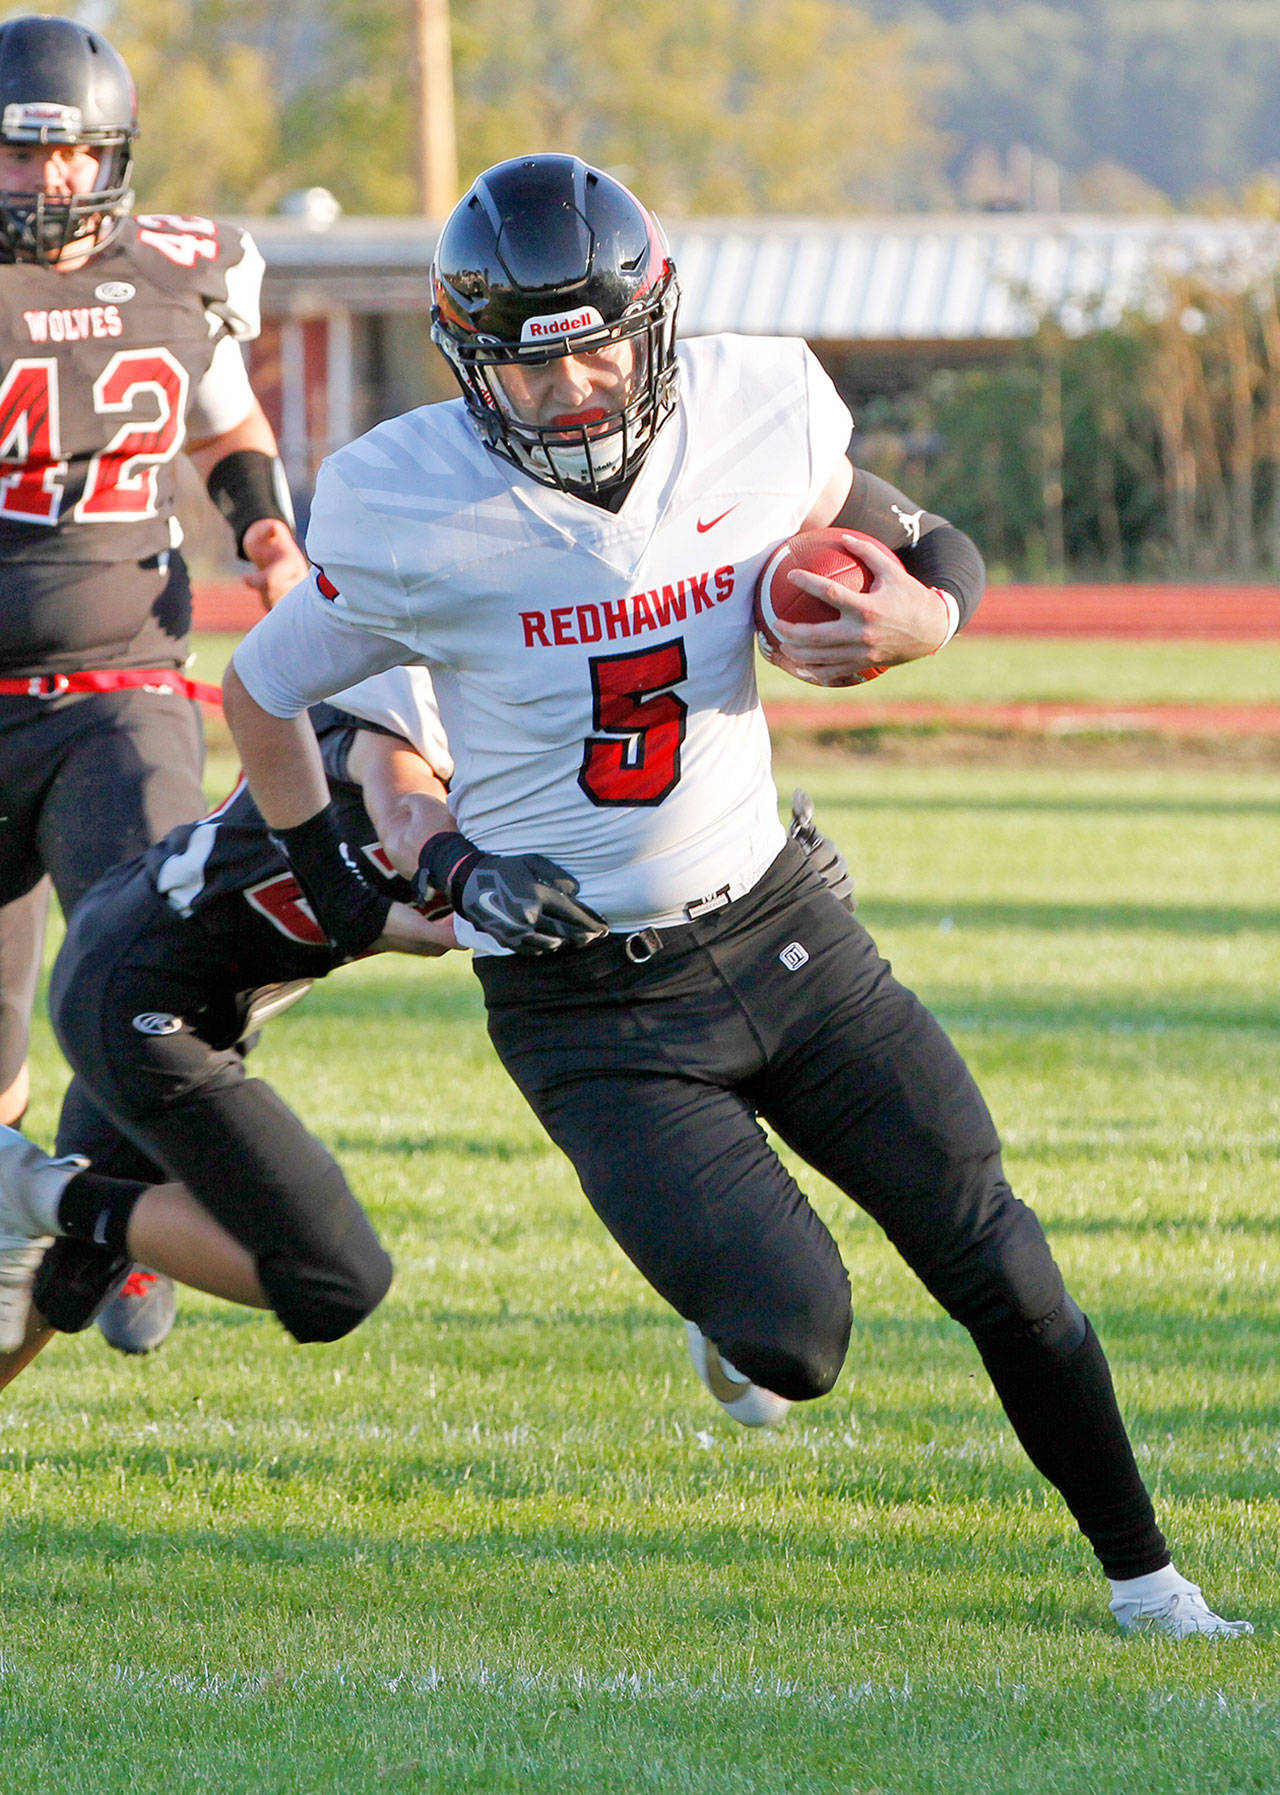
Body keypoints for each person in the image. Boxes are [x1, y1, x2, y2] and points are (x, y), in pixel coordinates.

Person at [217, 153, 1250, 1640]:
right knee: (797, 1335)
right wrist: (365, 873)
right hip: (588, 1002)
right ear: (468, 364)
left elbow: (922, 537)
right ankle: (735, 1310)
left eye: (596, 346)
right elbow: (258, 696)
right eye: (530, 361)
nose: (572, 389)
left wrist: (923, 616)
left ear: (654, 325)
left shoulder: (757, 406)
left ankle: (1149, 1578)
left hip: (781, 926)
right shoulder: (403, 500)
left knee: (998, 1252)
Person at [0, 16, 309, 1353]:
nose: (54, 182)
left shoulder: (183, 273)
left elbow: (226, 419)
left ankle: (133, 1216)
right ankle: (37, 1233)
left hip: (121, 683)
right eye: (24, 155)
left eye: (75, 153)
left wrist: (263, 528)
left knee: (149, 962)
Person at [0, 666, 457, 1387]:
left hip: (196, 999)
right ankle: (27, 1187)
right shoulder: (405, 700)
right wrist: (464, 872)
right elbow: (406, 808)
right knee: (334, 1283)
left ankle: (37, 1196)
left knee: (71, 1276)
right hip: (142, 986)